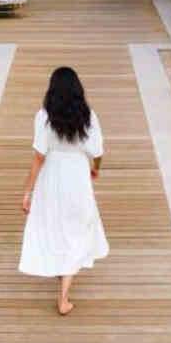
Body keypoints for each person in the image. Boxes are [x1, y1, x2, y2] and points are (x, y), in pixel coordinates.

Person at [19, 66, 108, 315]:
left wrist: (27, 191)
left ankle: (62, 284)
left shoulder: (44, 117)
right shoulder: (88, 116)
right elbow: (98, 151)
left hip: (52, 177)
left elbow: (38, 157)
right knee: (78, 229)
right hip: (77, 175)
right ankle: (64, 297)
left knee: (55, 226)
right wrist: (95, 168)